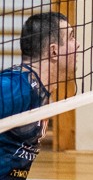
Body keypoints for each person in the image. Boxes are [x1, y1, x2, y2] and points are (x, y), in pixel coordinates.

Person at [0, 11, 79, 179]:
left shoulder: (39, 90)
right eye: (71, 37)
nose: (77, 44)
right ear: (54, 51)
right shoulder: (15, 88)